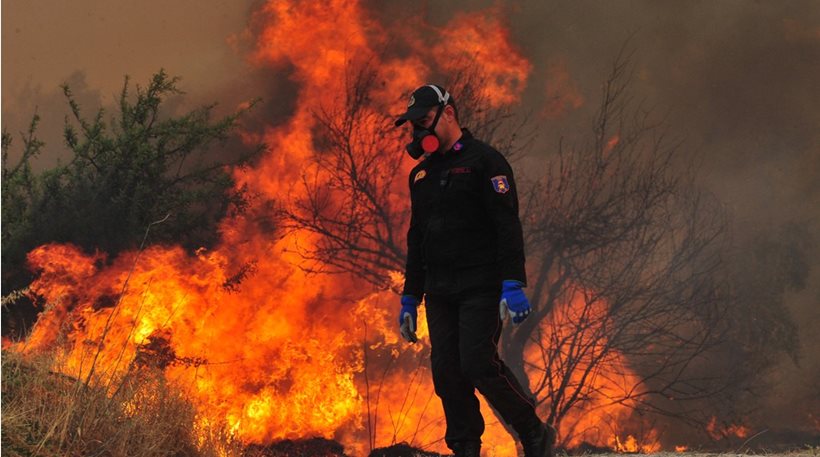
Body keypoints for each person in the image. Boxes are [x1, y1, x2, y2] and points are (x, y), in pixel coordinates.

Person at [395, 84, 555, 457]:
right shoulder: (420, 176)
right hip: (439, 289)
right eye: (413, 126)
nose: (419, 132)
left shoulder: (487, 162)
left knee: (478, 362)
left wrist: (513, 283)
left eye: (424, 121)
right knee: (447, 371)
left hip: (481, 285)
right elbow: (416, 239)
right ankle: (465, 448)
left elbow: (506, 225)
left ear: (448, 113)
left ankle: (534, 432)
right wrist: (409, 296)